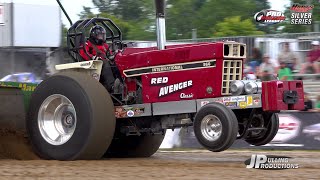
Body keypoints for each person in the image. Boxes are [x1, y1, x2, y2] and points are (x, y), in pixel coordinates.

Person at [79, 25, 120, 93]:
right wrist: (93, 57)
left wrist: (114, 55)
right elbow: (83, 52)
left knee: (116, 62)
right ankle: (112, 86)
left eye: (103, 35)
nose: (102, 37)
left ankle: (121, 82)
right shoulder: (87, 43)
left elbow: (109, 53)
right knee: (105, 63)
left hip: (105, 61)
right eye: (100, 35)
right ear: (94, 35)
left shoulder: (104, 45)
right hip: (94, 64)